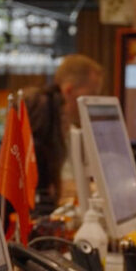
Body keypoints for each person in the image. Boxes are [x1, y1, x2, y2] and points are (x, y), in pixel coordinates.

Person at [24, 53, 103, 209]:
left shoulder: (74, 133)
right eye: (92, 94)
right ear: (68, 90)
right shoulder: (42, 125)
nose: (92, 102)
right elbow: (53, 189)